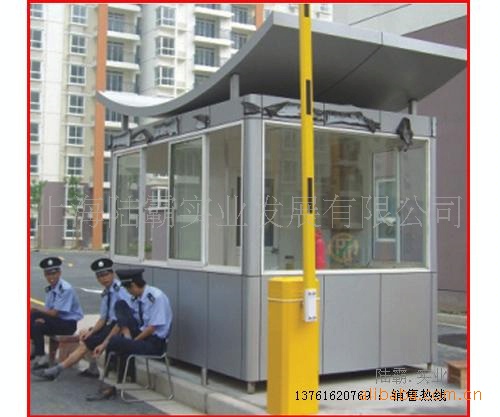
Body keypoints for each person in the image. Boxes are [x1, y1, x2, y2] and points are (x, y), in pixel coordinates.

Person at [33, 258, 130, 381]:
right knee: (86, 334)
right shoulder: (107, 292)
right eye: (99, 276)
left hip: (121, 326)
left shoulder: (121, 290)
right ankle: (93, 368)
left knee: (86, 343)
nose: (103, 279)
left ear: (113, 274)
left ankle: (56, 370)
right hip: (110, 324)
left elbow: (122, 320)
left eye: (106, 274)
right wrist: (92, 331)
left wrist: (105, 341)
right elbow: (103, 318)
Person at [86, 268, 173, 401]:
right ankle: (113, 383)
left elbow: (152, 327)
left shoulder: (156, 297)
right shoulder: (135, 297)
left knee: (117, 342)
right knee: (120, 305)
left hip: (154, 342)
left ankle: (114, 386)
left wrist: (134, 341)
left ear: (133, 285)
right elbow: (121, 322)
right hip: (139, 334)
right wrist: (103, 344)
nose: (128, 292)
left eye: (128, 289)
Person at [31, 257, 83, 370]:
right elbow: (48, 310)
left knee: (35, 319)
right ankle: (37, 352)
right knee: (34, 321)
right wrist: (42, 317)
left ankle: (39, 354)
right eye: (48, 274)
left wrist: (37, 309)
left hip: (68, 324)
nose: (51, 277)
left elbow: (54, 313)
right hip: (57, 321)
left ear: (59, 273)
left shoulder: (65, 289)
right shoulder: (51, 288)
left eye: (54, 273)